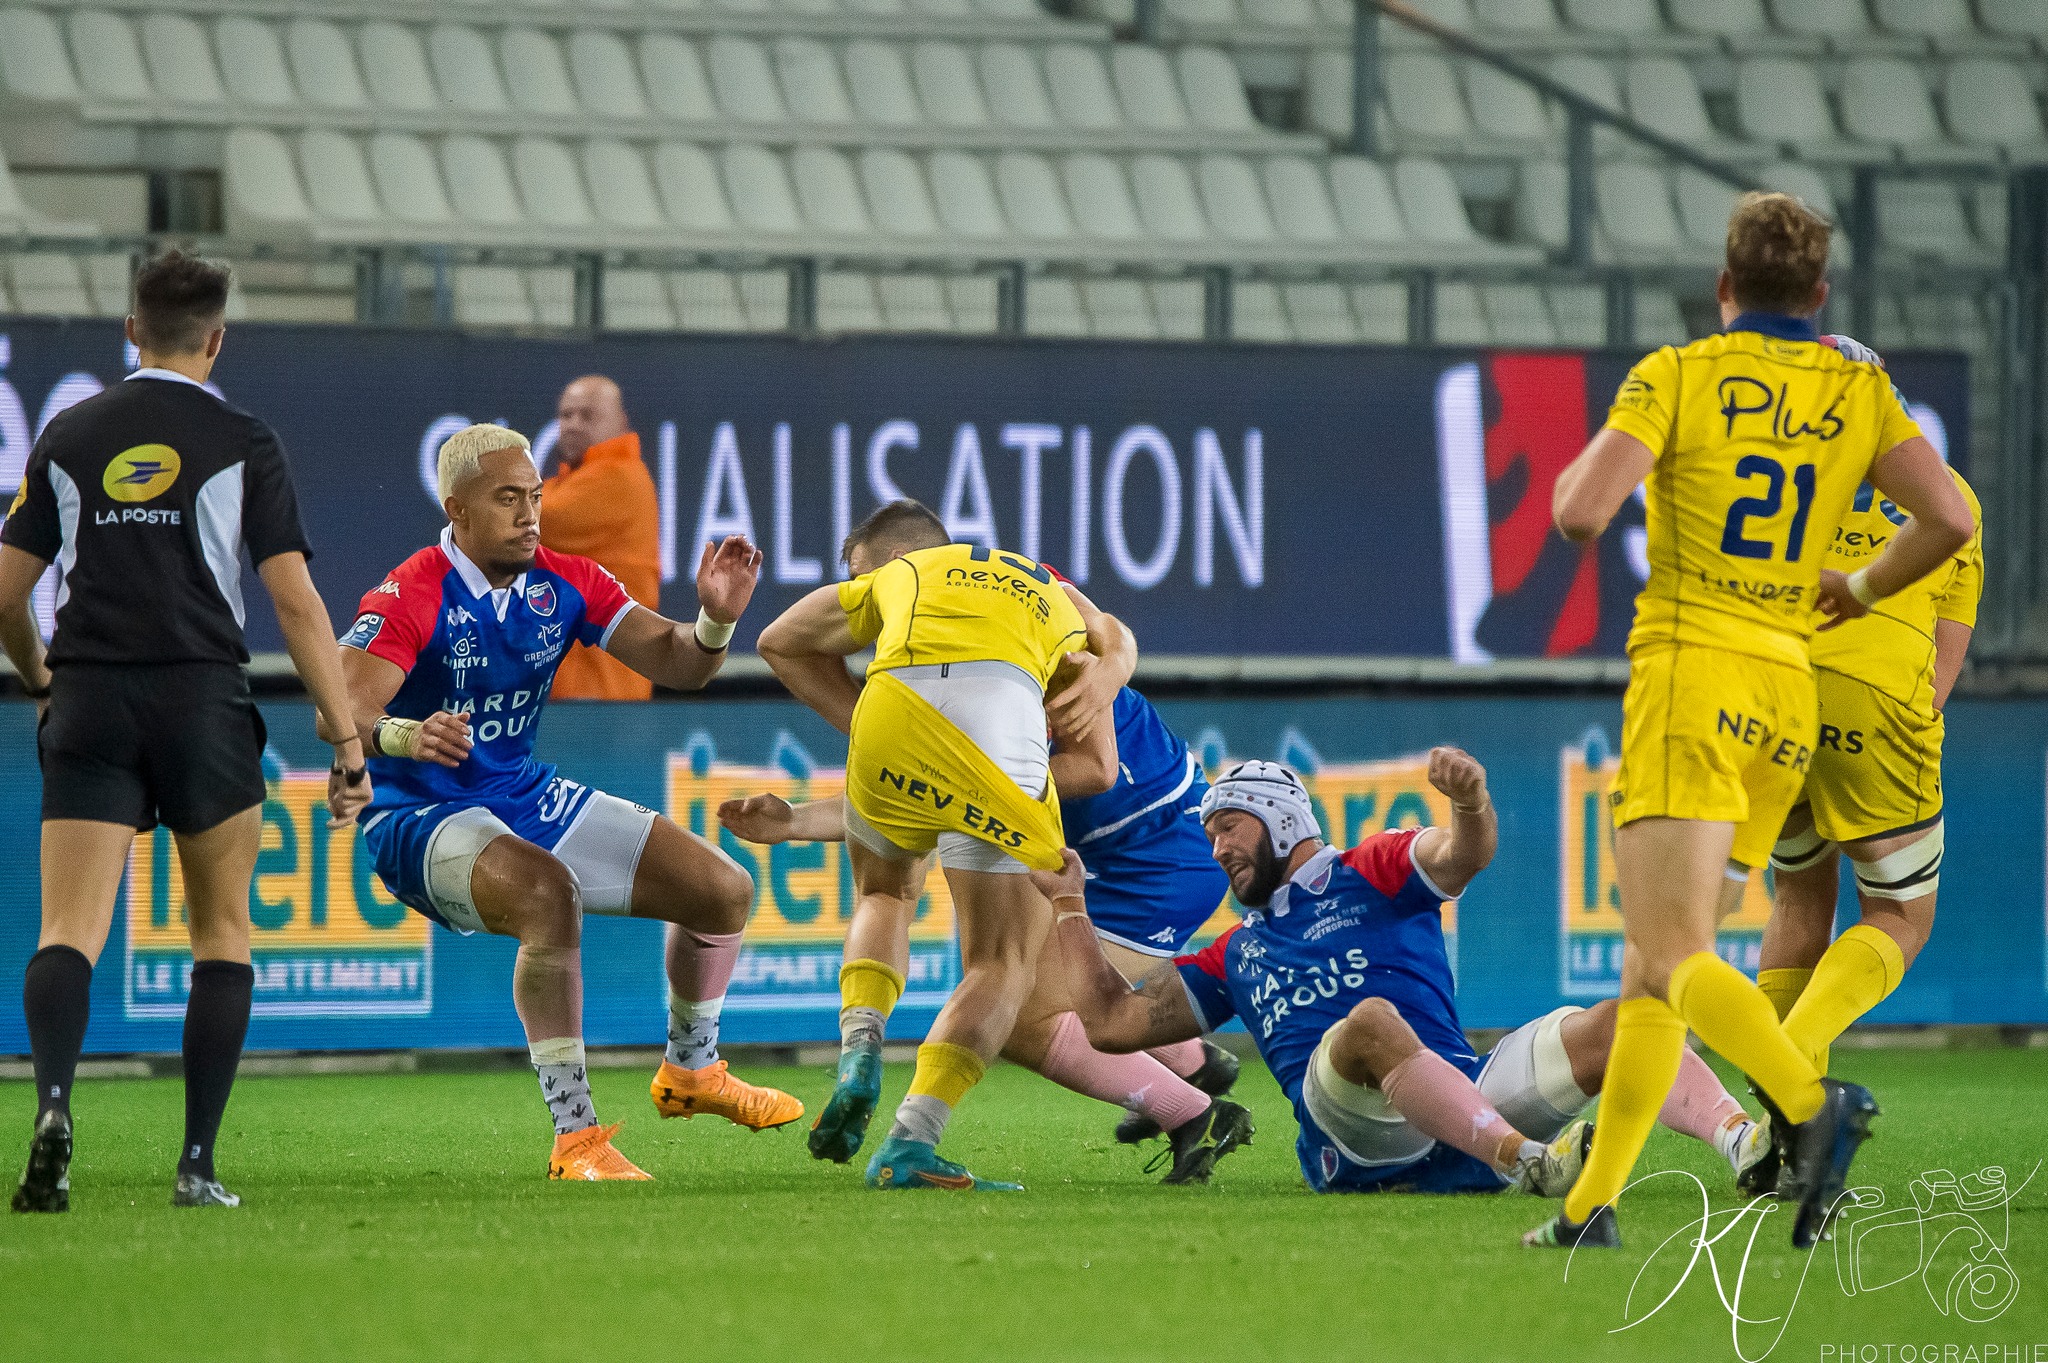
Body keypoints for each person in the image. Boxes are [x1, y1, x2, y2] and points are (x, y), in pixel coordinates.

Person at [1534, 193, 1977, 1251]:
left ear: (1721, 288)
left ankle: (1807, 1101)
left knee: (1669, 949)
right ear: (1817, 296)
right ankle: (1589, 1205)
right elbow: (1949, 517)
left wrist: (1586, 463)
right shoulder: (1855, 387)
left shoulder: (1677, 373)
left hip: (1692, 677)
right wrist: (1862, 591)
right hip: (1785, 689)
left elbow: (1578, 512)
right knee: (1656, 960)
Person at [0, 250, 371, 1212]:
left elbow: (6, 594)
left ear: (131, 330)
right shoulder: (245, 439)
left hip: (89, 695)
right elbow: (293, 601)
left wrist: (43, 677)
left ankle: (52, 1111)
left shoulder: (67, 434)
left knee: (68, 930)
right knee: (220, 934)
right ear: (217, 338)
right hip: (203, 698)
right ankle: (196, 1163)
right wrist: (345, 736)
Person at [339, 423, 799, 1181]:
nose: (529, 514)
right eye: (508, 499)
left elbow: (676, 662)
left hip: (519, 794)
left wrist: (715, 617)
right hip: (416, 816)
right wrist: (402, 733)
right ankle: (577, 1138)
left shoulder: (564, 581)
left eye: (535, 497)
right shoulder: (411, 589)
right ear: (456, 510)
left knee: (723, 888)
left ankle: (691, 1071)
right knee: (551, 893)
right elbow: (341, 704)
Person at [1038, 757, 1770, 1196]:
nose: (1218, 847)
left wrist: (1472, 802)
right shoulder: (1234, 953)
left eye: (1230, 825)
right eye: (1210, 835)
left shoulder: (1370, 868)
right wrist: (1070, 903)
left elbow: (1463, 855)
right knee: (1370, 1024)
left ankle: (1746, 1142)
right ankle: (1527, 1161)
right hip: (1354, 1138)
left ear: (1283, 818)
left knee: (1622, 1021)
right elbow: (1110, 1023)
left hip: (1459, 1093)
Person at [717, 684, 1249, 1184]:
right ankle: (1191, 1063)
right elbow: (936, 793)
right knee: (1016, 986)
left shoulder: (1000, 649)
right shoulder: (973, 635)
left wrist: (805, 819)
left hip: (1159, 857)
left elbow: (1059, 774)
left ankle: (1194, 1112)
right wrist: (795, 822)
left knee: (1016, 1010)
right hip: (1102, 845)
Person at [756, 499, 1129, 1191]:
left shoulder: (900, 578)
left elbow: (778, 639)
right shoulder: (1038, 581)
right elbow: (1115, 643)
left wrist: (859, 716)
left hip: (892, 709)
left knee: (882, 891)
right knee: (1000, 960)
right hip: (1002, 726)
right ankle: (910, 1141)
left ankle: (860, 1046)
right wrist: (1108, 675)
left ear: (894, 558)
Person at [1745, 335, 1983, 1194]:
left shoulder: (1773, 481)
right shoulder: (1952, 500)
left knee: (1798, 898)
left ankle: (1776, 1138)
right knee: (1900, 913)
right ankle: (1797, 1057)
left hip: (1770, 695)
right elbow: (1938, 678)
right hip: (1874, 702)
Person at [538, 376, 660, 700]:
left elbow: (528, 520)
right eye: (566, 415)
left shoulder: (620, 477)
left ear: (621, 423)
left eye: (588, 415)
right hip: (576, 696)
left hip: (604, 698)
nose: (574, 424)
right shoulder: (563, 485)